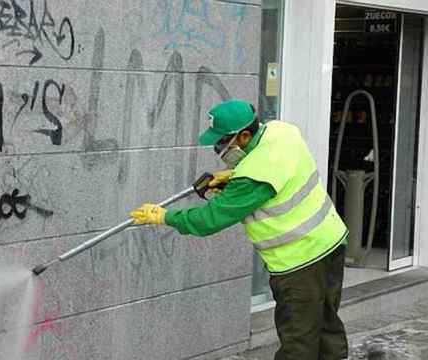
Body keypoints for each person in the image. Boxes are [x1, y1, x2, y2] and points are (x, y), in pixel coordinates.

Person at [130, 99, 349, 360]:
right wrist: (232, 178)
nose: (219, 149)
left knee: (298, 342)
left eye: (222, 143)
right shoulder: (281, 131)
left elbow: (209, 220)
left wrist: (165, 217)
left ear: (244, 135)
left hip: (300, 261)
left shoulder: (253, 173)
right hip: (331, 241)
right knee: (327, 326)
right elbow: (274, 181)